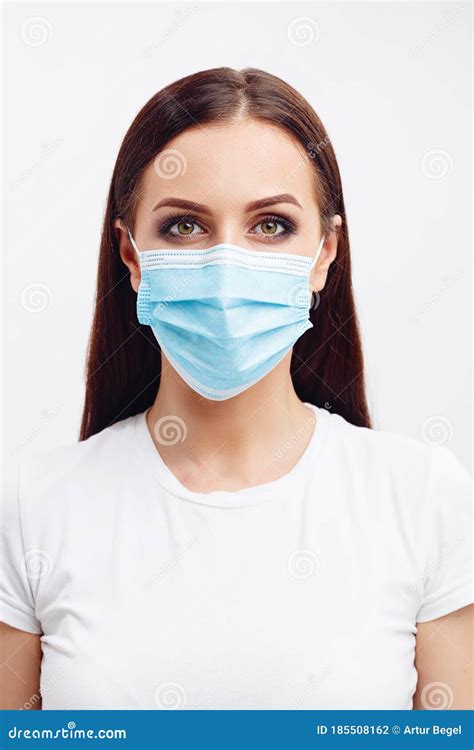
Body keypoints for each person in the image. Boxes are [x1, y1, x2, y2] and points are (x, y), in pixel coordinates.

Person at [1, 67, 472, 710]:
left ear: (326, 252)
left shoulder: (422, 497)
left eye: (271, 225)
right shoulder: (33, 506)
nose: (226, 263)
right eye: (184, 226)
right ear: (131, 254)